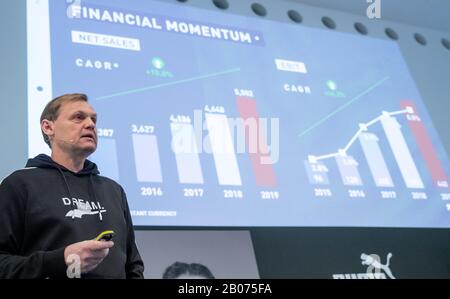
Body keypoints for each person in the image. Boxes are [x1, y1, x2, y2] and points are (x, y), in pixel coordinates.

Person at [0, 93, 144, 278]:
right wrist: (60, 260)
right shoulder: (20, 184)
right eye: (78, 117)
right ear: (48, 127)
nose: (90, 124)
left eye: (93, 119)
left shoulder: (113, 191)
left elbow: (133, 265)